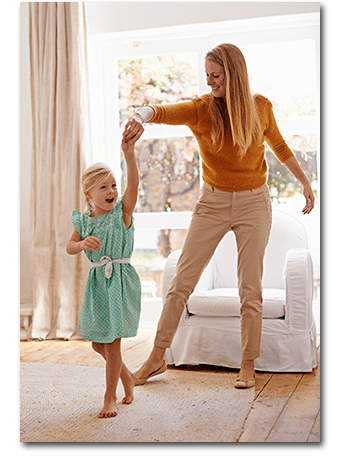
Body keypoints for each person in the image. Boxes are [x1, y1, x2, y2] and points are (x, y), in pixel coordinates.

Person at [123, 43, 315, 389]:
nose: (210, 82)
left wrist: (305, 183)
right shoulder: (201, 109)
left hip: (254, 204)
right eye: (207, 76)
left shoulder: (260, 108)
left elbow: (281, 147)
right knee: (181, 283)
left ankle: (247, 362)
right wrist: (140, 114)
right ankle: (156, 357)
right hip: (211, 203)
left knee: (250, 288)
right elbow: (162, 111)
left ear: (235, 74)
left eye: (216, 76)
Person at [66, 136, 141, 417]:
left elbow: (133, 185)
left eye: (113, 186)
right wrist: (82, 244)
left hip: (119, 282)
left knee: (112, 344)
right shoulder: (84, 221)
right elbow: (69, 246)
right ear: (88, 193)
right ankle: (128, 376)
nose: (112, 191)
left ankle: (109, 397)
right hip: (98, 283)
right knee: (99, 343)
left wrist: (129, 155)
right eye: (104, 187)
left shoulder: (122, 212)